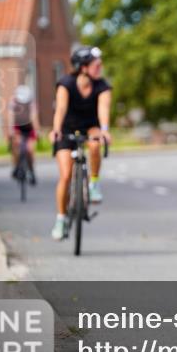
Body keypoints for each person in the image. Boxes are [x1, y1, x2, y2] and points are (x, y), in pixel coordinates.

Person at [48, 46, 112, 240]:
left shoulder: (101, 86)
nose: (99, 68)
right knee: (66, 175)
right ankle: (61, 219)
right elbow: (60, 108)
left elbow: (103, 108)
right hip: (67, 128)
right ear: (83, 67)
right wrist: (56, 129)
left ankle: (93, 183)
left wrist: (105, 130)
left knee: (94, 144)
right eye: (96, 65)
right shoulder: (66, 83)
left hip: (90, 126)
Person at [8, 84, 39, 185]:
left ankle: (31, 170)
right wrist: (11, 130)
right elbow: (11, 116)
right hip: (18, 127)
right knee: (17, 147)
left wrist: (37, 131)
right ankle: (16, 166)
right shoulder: (13, 102)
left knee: (30, 149)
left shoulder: (31, 103)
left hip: (29, 128)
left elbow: (34, 117)